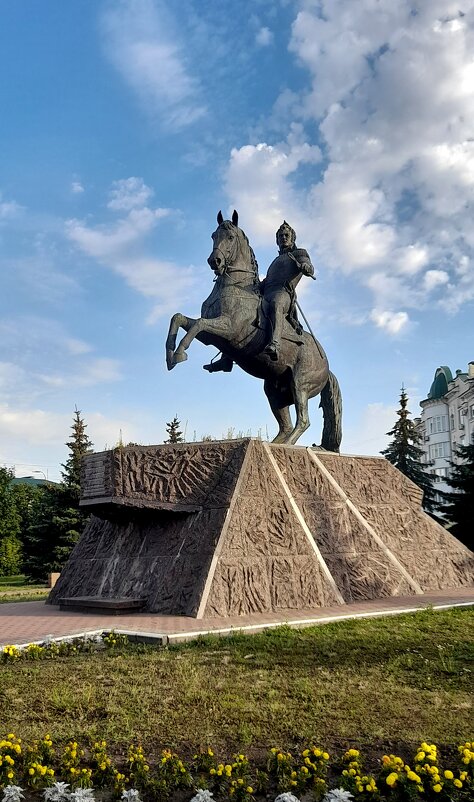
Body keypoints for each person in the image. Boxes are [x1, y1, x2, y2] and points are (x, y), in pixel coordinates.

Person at [261, 221, 314, 360]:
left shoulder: (299, 253)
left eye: (286, 235)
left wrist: (306, 267)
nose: (283, 238)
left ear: (292, 238)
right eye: (280, 236)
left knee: (276, 304)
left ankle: (275, 344)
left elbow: (308, 265)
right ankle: (227, 359)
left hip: (283, 293)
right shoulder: (276, 260)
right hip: (266, 292)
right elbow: (268, 280)